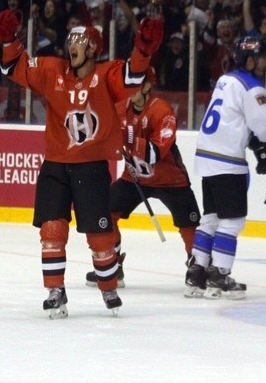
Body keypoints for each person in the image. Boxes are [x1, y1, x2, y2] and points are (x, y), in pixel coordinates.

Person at [0, 9, 163, 319]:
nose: (72, 44)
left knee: (101, 238)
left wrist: (143, 50)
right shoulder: (52, 70)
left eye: (80, 40)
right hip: (56, 166)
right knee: (52, 230)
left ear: (93, 48)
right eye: (70, 39)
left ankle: (108, 286)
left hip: (92, 167)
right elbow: (14, 68)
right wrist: (8, 41)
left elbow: (132, 76)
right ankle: (55, 291)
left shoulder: (107, 74)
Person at [185, 37, 266, 300]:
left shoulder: (226, 80)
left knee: (211, 218)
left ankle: (196, 273)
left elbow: (235, 120)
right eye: (262, 57)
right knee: (232, 222)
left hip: (207, 156)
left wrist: (256, 145)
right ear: (250, 60)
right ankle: (219, 275)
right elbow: (264, 127)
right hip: (228, 159)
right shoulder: (252, 87)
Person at [85, 68, 201, 289]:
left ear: (147, 86)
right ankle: (112, 264)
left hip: (171, 180)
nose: (128, 90)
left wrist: (126, 142)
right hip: (133, 177)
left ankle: (196, 265)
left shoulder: (162, 111)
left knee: (190, 222)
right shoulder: (119, 109)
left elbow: (156, 152)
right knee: (104, 212)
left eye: (135, 85)